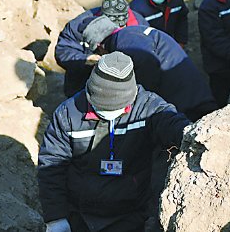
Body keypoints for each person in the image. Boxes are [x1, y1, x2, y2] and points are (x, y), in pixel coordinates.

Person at [38, 51, 190, 232]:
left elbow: (175, 125)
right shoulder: (68, 114)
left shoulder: (149, 108)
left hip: (131, 215)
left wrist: (196, 134)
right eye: (99, 107)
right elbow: (51, 165)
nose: (106, 113)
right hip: (81, 215)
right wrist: (56, 217)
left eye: (115, 109)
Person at [81, 16, 217, 121]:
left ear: (100, 46)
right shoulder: (132, 33)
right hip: (191, 93)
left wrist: (142, 101)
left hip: (185, 102)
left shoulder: (123, 41)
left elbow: (147, 63)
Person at [55, 0, 149, 98]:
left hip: (125, 87)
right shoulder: (79, 25)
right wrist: (86, 59)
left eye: (120, 26)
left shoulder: (140, 25)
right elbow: (62, 51)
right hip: (83, 85)